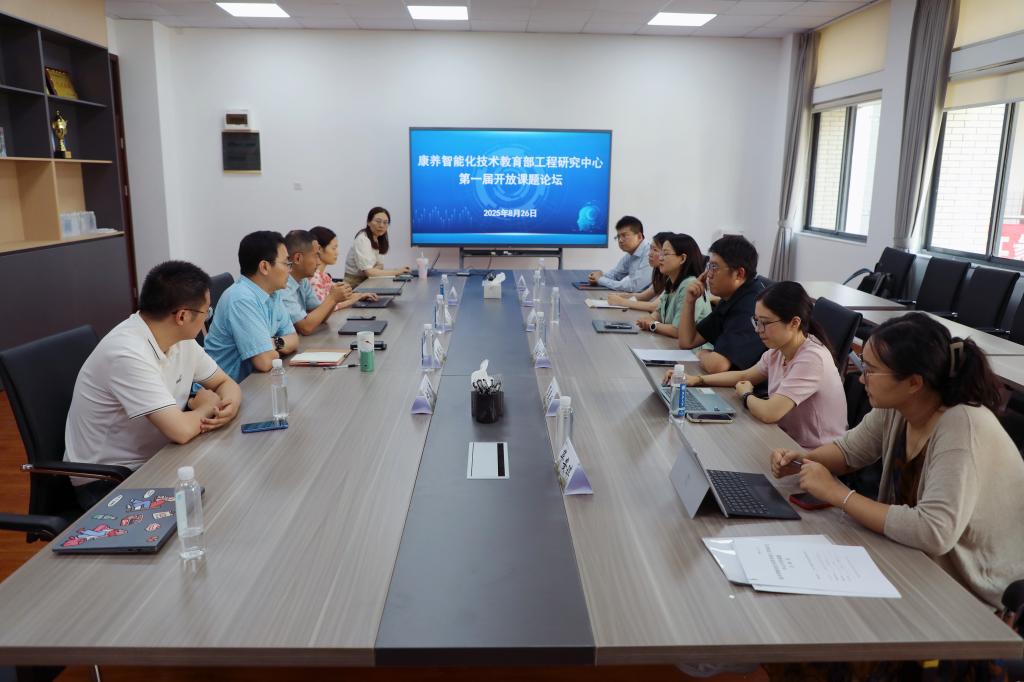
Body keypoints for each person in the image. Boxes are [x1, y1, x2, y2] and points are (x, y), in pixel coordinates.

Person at [771, 312, 1024, 609]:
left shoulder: (962, 426)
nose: (861, 378)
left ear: (913, 382)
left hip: (972, 590)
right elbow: (849, 452)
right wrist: (804, 460)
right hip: (917, 560)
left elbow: (933, 531)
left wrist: (838, 494)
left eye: (871, 370)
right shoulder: (898, 406)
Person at [64, 261, 242, 508]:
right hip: (109, 480)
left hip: (160, 456)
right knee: (216, 505)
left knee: (231, 482)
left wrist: (229, 406)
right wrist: (207, 407)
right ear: (182, 316)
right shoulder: (126, 352)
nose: (207, 318)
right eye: (206, 312)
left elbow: (224, 382)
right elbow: (180, 431)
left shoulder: (182, 339)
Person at [669, 282, 846, 450]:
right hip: (784, 439)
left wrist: (746, 394)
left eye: (765, 323)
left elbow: (769, 412)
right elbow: (744, 376)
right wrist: (697, 380)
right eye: (756, 321)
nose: (757, 329)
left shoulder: (812, 358)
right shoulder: (778, 350)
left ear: (794, 323)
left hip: (814, 454)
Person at [205, 231, 299, 382]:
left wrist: (273, 343)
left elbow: (294, 339)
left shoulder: (273, 294)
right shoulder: (241, 298)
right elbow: (265, 362)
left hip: (252, 381)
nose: (290, 269)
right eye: (286, 263)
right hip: (222, 388)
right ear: (264, 267)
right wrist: (275, 347)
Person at [676, 234, 767, 374]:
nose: (709, 274)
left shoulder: (751, 306)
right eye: (709, 266)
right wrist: (690, 301)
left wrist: (701, 353)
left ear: (739, 274)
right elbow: (687, 341)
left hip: (753, 386)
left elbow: (717, 365)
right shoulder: (731, 298)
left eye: (715, 267)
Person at [281, 230, 375, 335]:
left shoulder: (303, 281)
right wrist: (332, 298)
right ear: (298, 258)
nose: (318, 262)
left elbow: (320, 316)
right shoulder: (282, 286)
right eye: (315, 256)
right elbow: (305, 328)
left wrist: (335, 299)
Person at [635, 233, 711, 340]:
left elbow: (678, 331)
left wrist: (652, 325)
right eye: (661, 253)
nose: (660, 258)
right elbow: (659, 312)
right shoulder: (670, 282)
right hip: (673, 343)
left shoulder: (689, 285)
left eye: (665, 254)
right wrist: (648, 319)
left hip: (695, 349)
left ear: (682, 258)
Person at [343, 207, 411, 287]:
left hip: (368, 281)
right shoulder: (363, 239)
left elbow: (380, 265)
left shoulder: (378, 238)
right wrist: (397, 271)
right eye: (378, 221)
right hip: (353, 285)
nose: (381, 225)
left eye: (385, 222)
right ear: (368, 222)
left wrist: (372, 271)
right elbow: (369, 272)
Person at [607, 231, 671, 313]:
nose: (649, 254)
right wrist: (620, 296)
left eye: (655, 250)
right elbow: (644, 296)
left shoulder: (673, 277)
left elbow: (655, 306)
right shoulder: (659, 274)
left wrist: (621, 301)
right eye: (650, 248)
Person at [587, 215, 652, 292]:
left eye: (624, 235)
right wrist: (597, 276)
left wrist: (600, 279)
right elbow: (616, 275)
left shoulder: (650, 253)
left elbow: (635, 287)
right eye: (618, 236)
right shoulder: (631, 254)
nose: (620, 240)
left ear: (639, 236)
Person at [308, 225, 339, 302]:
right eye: (333, 248)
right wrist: (354, 299)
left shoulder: (324, 275)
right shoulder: (313, 278)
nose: (337, 253)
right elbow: (323, 306)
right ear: (319, 249)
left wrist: (357, 296)